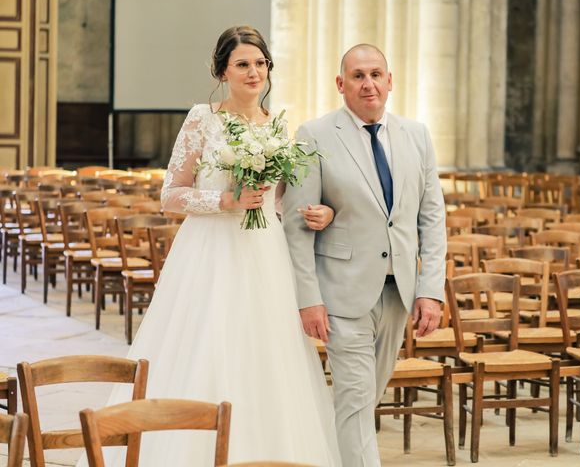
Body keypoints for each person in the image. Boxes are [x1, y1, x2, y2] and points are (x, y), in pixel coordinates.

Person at [76, 26, 341, 466]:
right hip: (210, 251)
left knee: (267, 352)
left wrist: (317, 212)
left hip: (264, 252)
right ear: (222, 72)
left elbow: (278, 198)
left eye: (260, 63)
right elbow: (170, 194)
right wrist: (225, 200)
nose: (253, 72)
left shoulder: (277, 124)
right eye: (242, 64)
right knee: (206, 342)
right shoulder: (203, 118)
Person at [283, 44, 447, 467]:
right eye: (357, 75)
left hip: (399, 293)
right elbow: (296, 224)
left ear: (390, 81)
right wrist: (308, 297)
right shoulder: (314, 135)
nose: (368, 83)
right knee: (356, 399)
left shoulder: (418, 135)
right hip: (340, 291)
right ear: (341, 84)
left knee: (363, 398)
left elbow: (431, 219)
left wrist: (431, 290)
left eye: (376, 74)